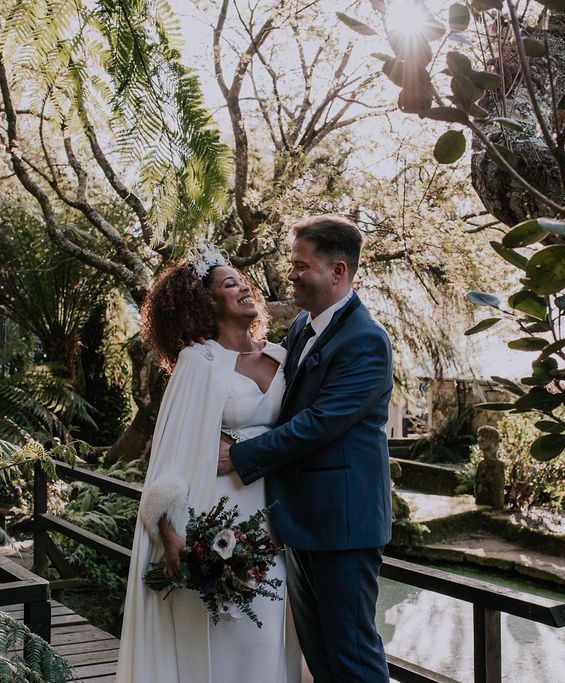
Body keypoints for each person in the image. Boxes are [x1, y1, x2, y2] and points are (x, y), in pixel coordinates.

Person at [219, 215, 393, 682]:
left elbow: (317, 424)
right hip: (299, 520)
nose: (291, 274)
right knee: (318, 653)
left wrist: (236, 455)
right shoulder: (302, 326)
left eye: (301, 266)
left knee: (353, 655)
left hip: (344, 525)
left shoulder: (366, 342)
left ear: (338, 272)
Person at [117, 243, 301, 683]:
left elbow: (307, 430)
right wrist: (170, 535)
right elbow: (171, 458)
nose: (243, 288)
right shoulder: (198, 361)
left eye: (241, 280)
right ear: (207, 301)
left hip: (275, 519)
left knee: (269, 635)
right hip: (217, 520)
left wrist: (246, 445)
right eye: (228, 283)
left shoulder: (285, 357)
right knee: (225, 639)